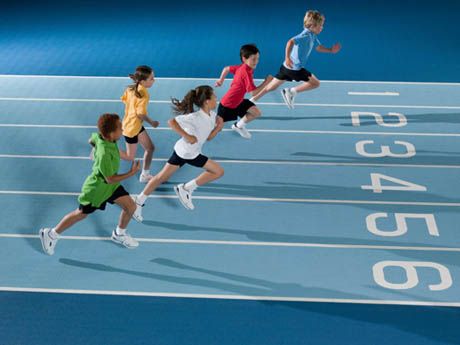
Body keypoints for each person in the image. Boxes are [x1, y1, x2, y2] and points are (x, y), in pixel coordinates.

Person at [39, 113, 140, 255]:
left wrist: (95, 149)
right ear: (111, 134)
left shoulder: (101, 137)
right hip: (97, 189)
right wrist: (131, 173)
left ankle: (119, 234)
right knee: (81, 214)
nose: (122, 130)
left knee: (131, 206)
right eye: (120, 128)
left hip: (110, 188)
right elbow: (110, 178)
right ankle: (51, 234)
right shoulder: (105, 152)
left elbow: (91, 139)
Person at [132, 85, 224, 221]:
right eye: (214, 97)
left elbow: (208, 137)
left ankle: (139, 201)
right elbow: (172, 122)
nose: (217, 99)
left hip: (190, 152)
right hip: (186, 153)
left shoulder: (212, 116)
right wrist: (187, 136)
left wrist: (218, 128)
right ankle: (185, 189)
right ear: (206, 101)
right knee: (218, 171)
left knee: (160, 177)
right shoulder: (195, 117)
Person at [250, 10, 341, 108]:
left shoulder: (312, 35)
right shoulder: (305, 35)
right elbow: (290, 42)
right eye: (320, 25)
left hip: (285, 67)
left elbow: (318, 47)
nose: (322, 28)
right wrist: (288, 57)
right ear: (312, 26)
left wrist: (330, 50)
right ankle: (291, 91)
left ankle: (252, 100)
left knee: (271, 87)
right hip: (295, 69)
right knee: (316, 83)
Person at [215, 44, 273, 139]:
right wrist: (266, 82)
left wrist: (220, 80)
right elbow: (253, 93)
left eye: (258, 59)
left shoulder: (243, 67)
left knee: (256, 112)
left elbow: (226, 69)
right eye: (253, 59)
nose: (256, 62)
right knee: (215, 128)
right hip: (227, 105)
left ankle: (238, 126)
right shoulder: (246, 72)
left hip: (238, 101)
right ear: (244, 59)